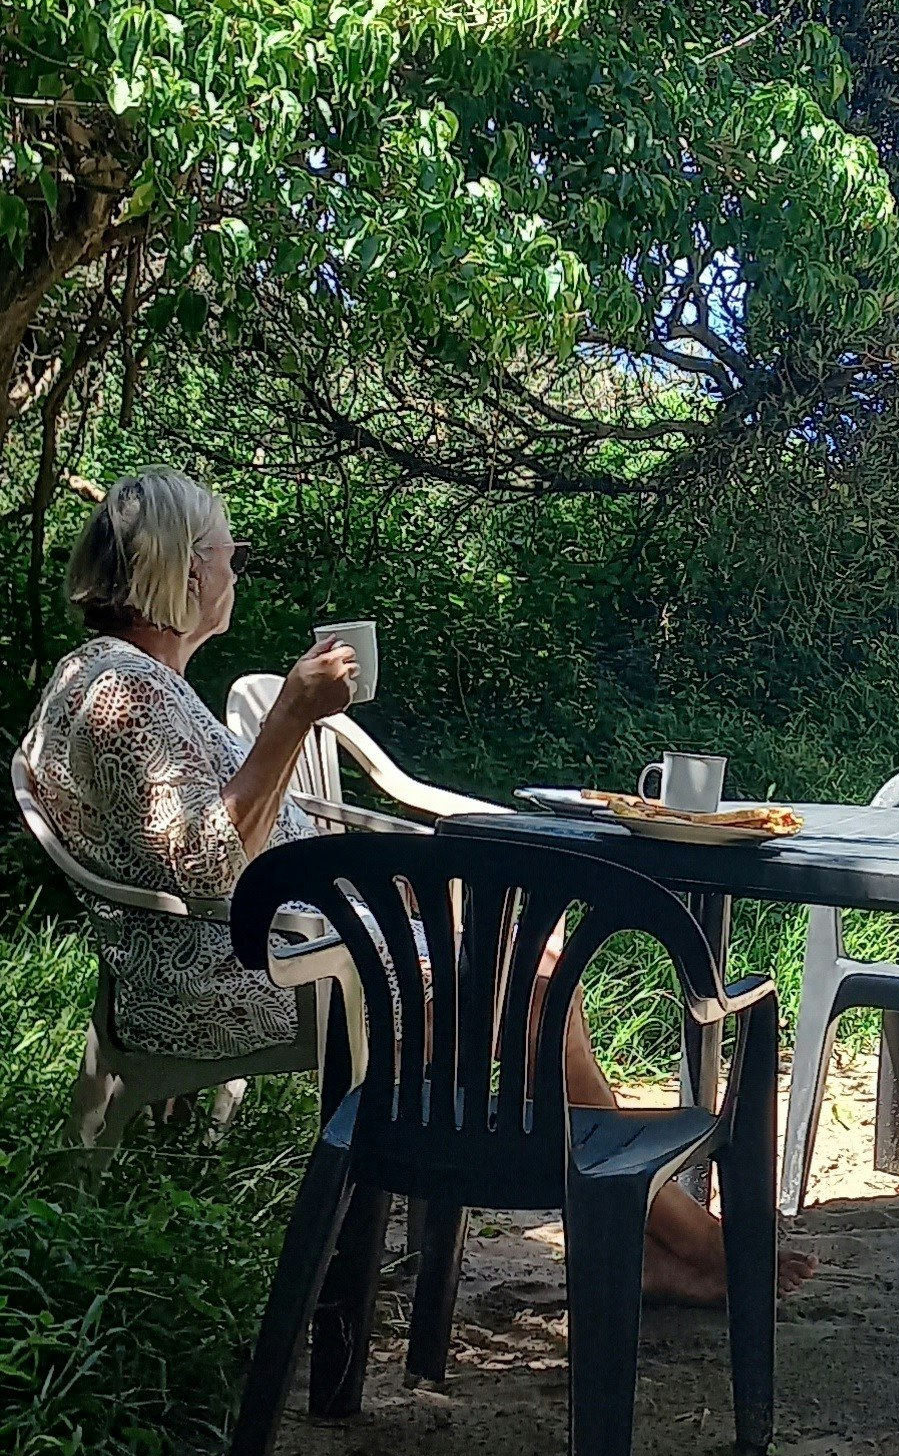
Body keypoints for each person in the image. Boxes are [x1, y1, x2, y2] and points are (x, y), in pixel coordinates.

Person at [22, 470, 781, 1304]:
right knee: (534, 980)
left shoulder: (128, 677)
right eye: (228, 551)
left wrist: (398, 886)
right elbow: (207, 864)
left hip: (263, 946)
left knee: (535, 963)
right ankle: (675, 1234)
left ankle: (645, 1234)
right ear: (189, 568)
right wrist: (290, 718)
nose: (236, 566)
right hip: (233, 979)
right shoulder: (126, 693)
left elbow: (233, 844)